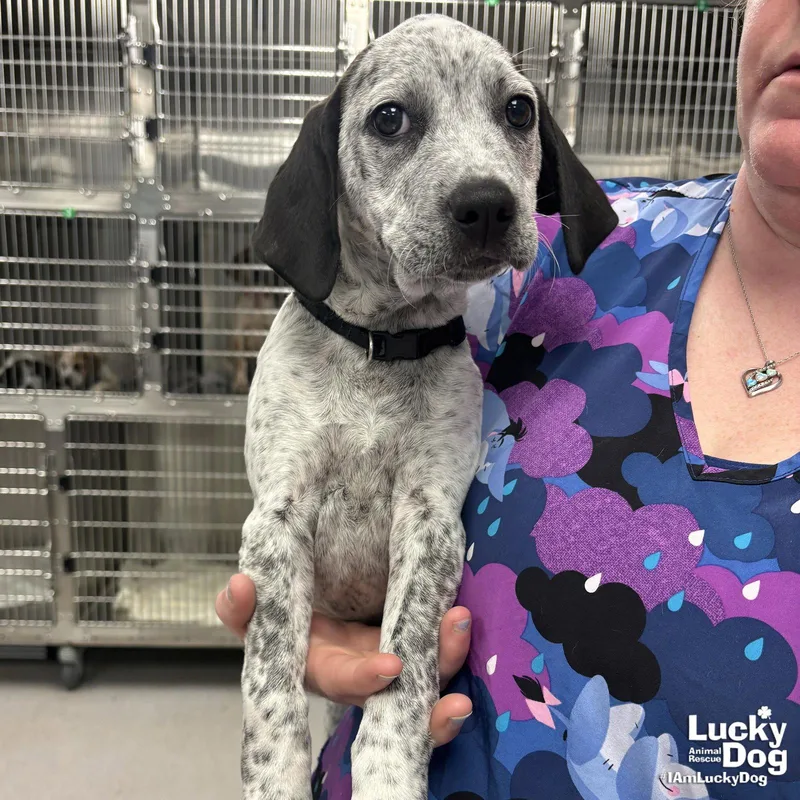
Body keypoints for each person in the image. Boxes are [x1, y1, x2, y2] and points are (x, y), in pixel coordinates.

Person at [217, 0, 800, 795]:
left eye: (514, 114)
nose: (482, 182)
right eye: (392, 122)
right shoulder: (539, 280)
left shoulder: (525, 262)